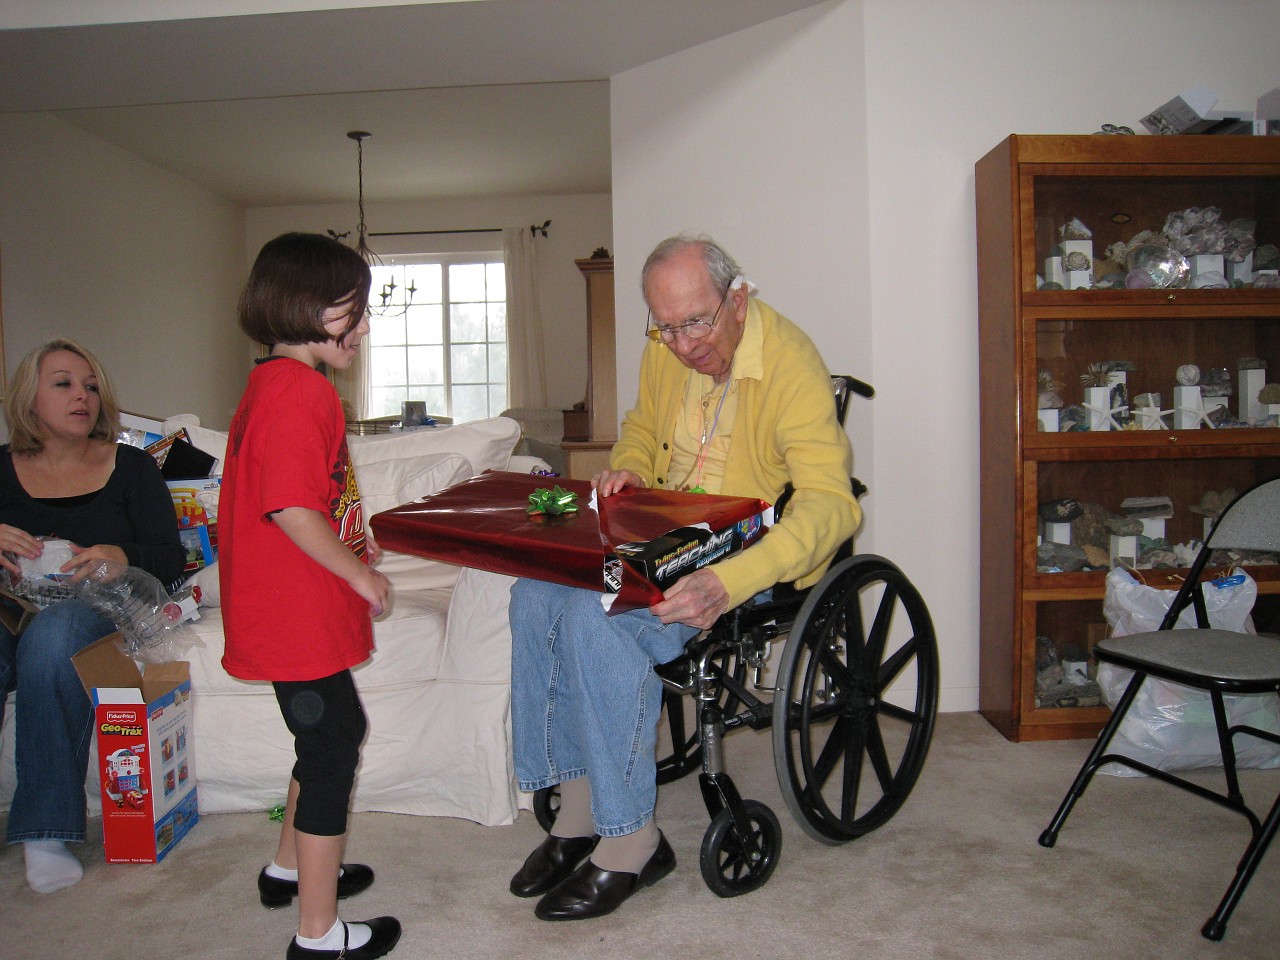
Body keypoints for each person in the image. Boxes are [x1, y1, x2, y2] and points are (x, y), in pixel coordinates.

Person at [508, 234, 862, 920]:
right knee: (534, 594)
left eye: (695, 322)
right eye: (665, 327)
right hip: (661, 534)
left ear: (738, 298)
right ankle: (577, 814)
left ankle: (632, 844)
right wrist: (632, 465)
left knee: (594, 616)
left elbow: (832, 504)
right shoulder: (666, 346)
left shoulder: (791, 361)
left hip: (743, 552)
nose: (682, 344)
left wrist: (733, 581)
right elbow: (641, 426)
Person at [220, 232, 399, 960]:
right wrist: (359, 576)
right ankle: (318, 935)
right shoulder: (302, 392)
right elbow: (290, 507)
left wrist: (355, 540)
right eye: (347, 309)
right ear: (300, 306)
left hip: (282, 607)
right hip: (295, 615)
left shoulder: (272, 384)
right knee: (331, 747)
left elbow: (312, 499)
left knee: (324, 737)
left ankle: (286, 868)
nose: (361, 325)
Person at [0, 338, 185, 893]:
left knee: (54, 640)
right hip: (11, 607)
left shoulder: (129, 466)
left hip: (99, 608)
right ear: (29, 400)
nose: (82, 396)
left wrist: (118, 558)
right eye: (63, 384)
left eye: (90, 385)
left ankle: (44, 830)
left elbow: (171, 560)